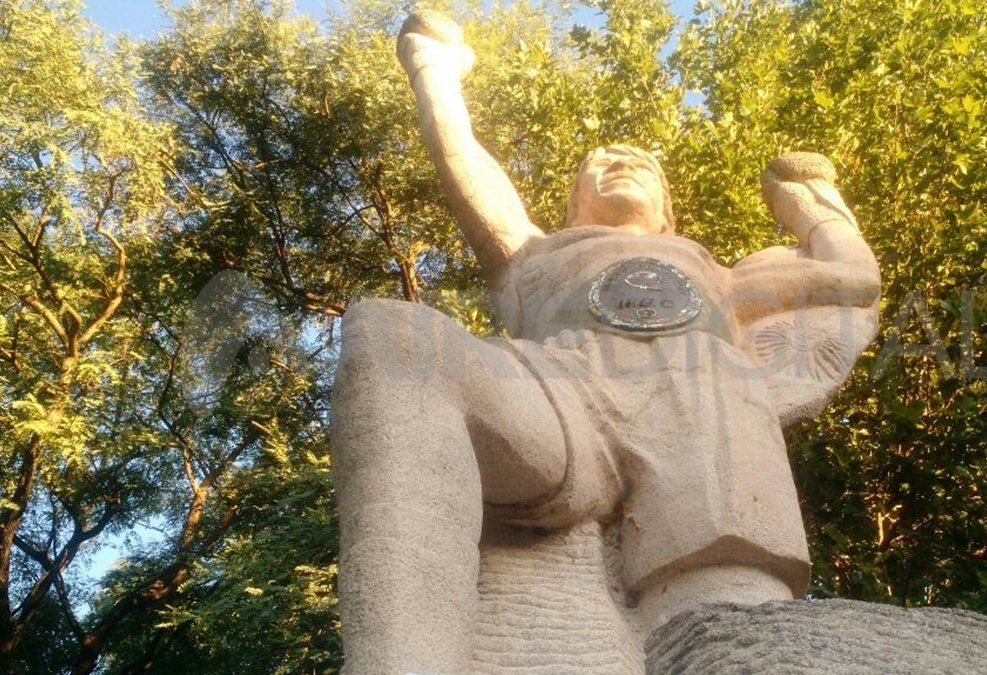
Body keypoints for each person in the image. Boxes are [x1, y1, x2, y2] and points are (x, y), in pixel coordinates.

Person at [330, 11, 880, 673]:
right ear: (571, 201)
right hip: (564, 394)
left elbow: (850, 280)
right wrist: (435, 71)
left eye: (640, 164)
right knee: (394, 340)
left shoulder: (722, 274)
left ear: (668, 207)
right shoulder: (534, 256)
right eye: (601, 164)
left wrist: (811, 202)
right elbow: (465, 162)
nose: (620, 164)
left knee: (722, 621)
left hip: (700, 409)